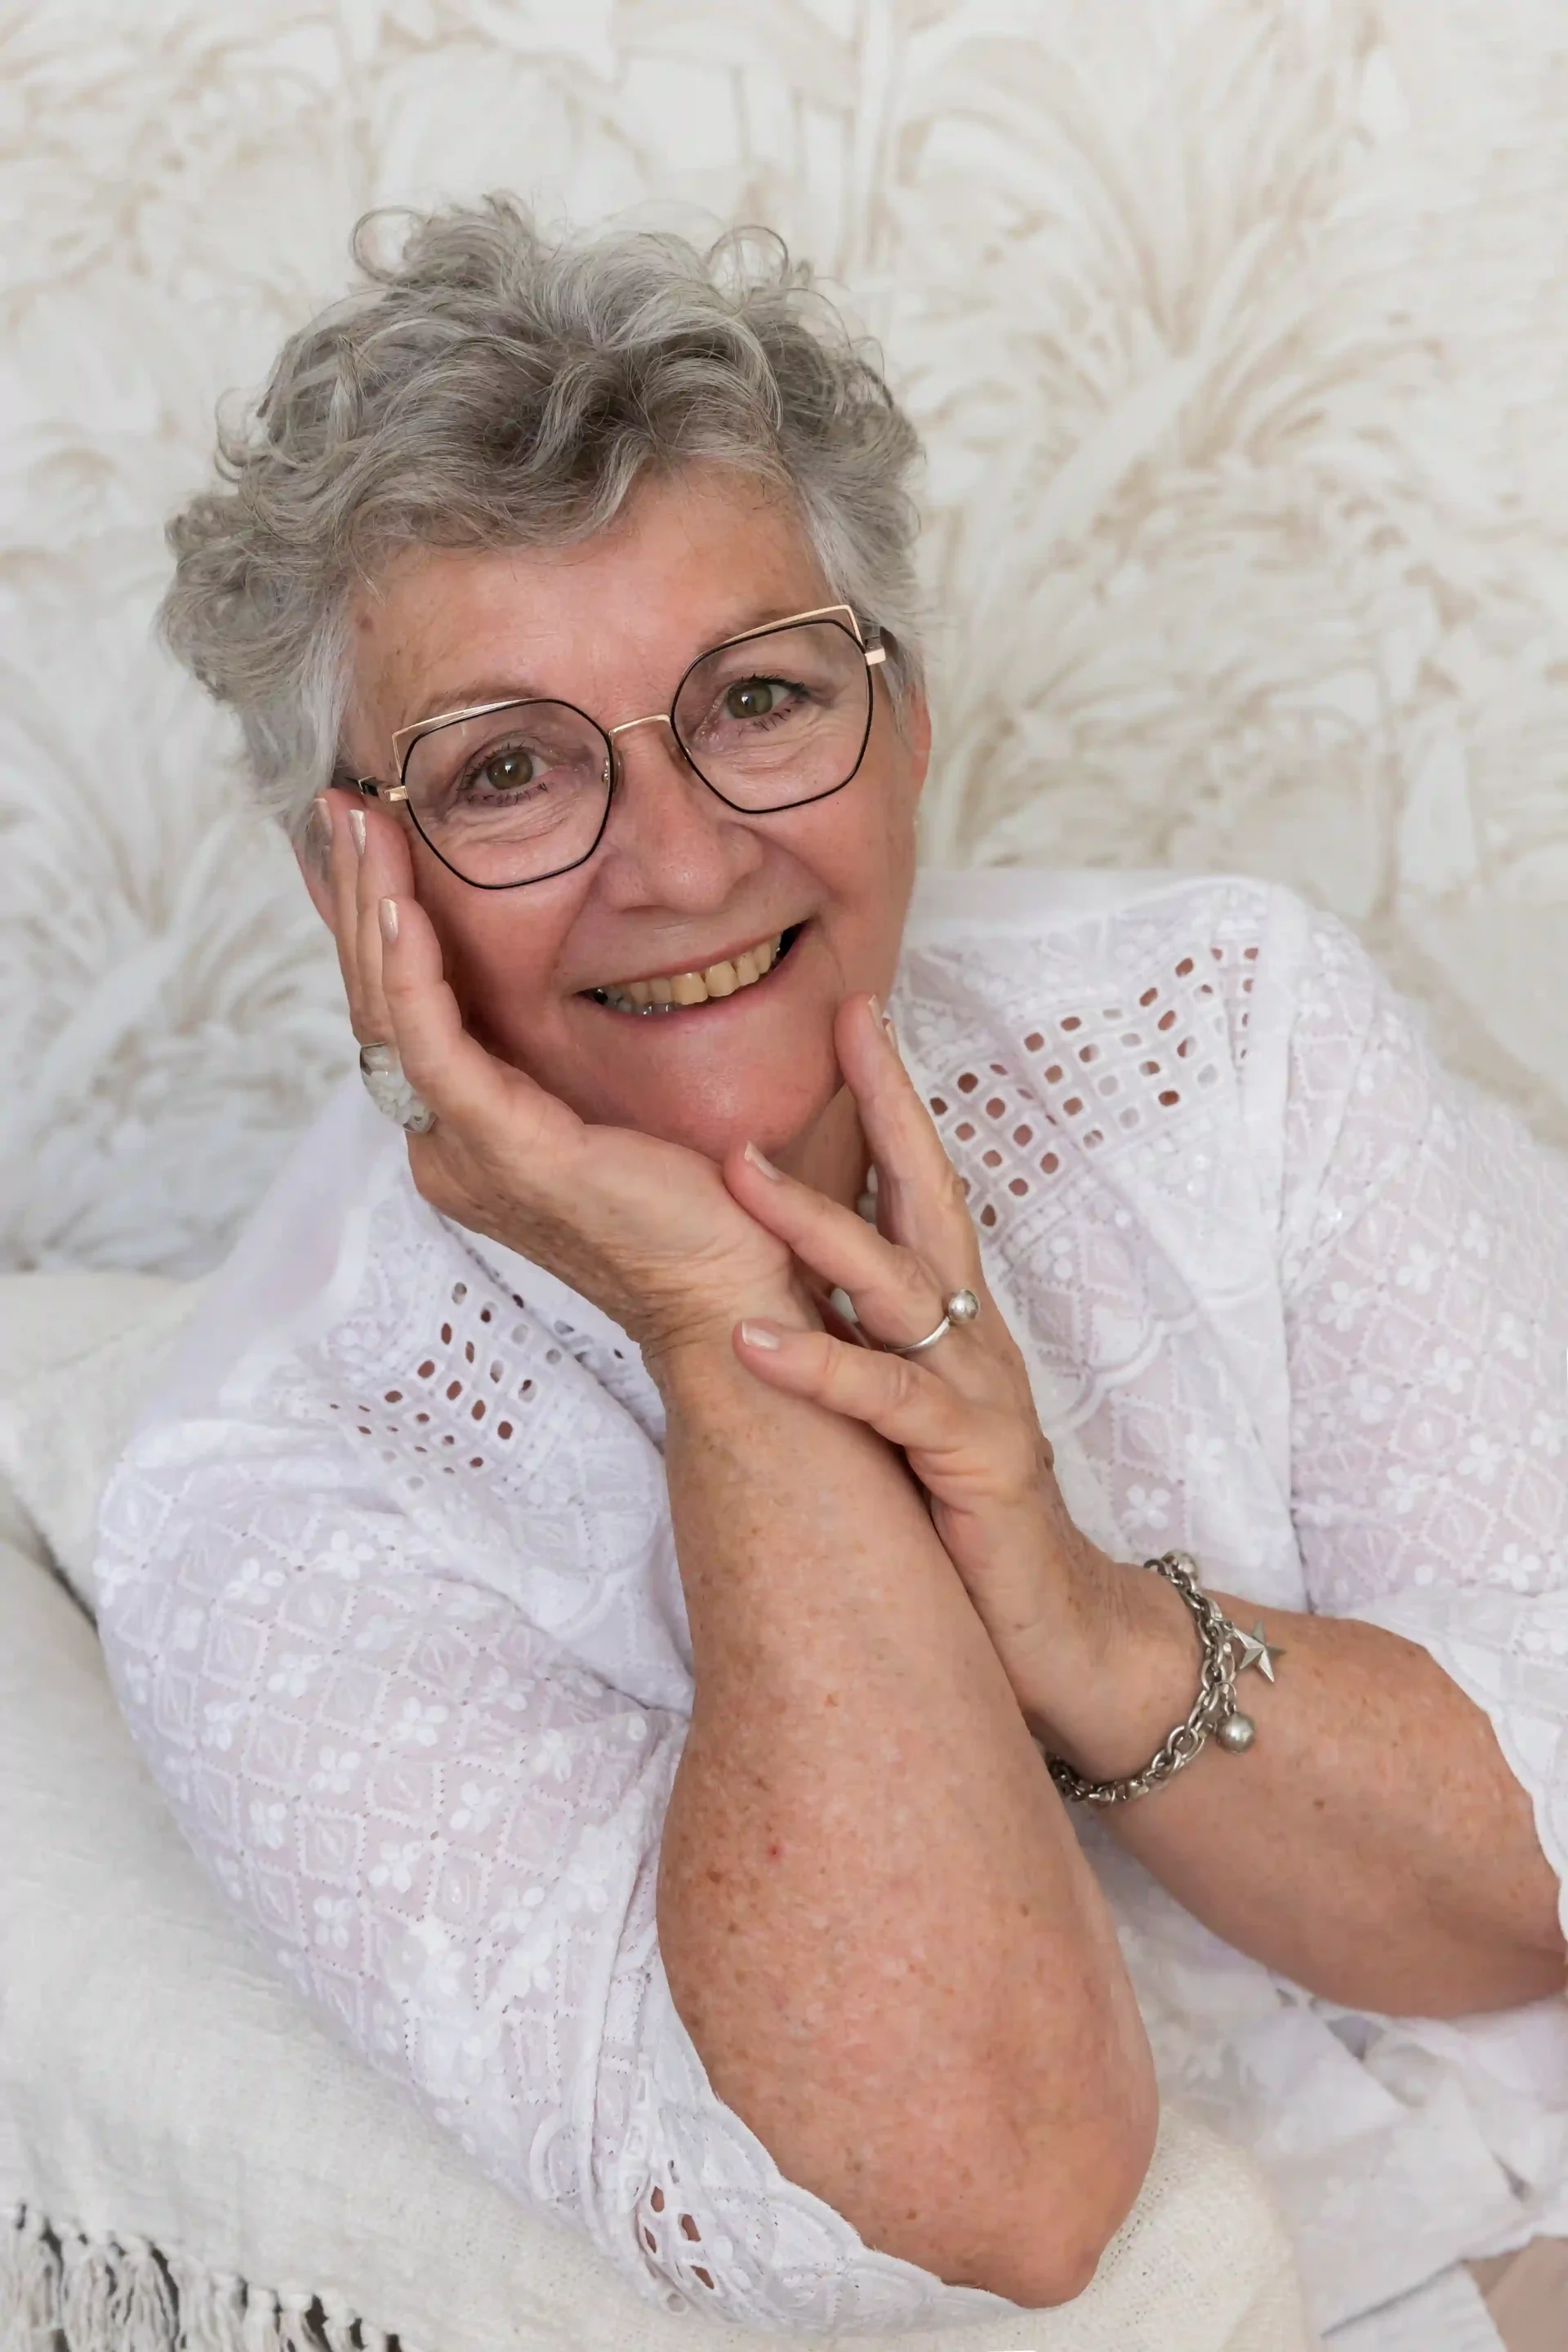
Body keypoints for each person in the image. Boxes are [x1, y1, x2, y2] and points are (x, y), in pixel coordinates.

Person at [96, 197, 1568, 2343]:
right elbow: (1008, 2179)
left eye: (760, 699)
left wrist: (1070, 1610)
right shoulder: (268, 1503)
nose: (682, 860)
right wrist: (725, 1334)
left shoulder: (1226, 1021)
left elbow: (1527, 1903)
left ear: (907, 717)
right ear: (352, 880)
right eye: (508, 770)